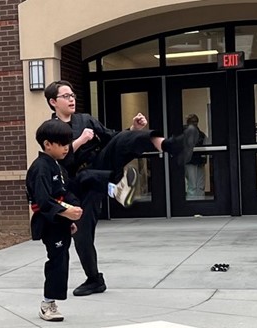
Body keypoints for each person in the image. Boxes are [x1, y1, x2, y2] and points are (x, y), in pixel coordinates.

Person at [43, 80, 184, 297]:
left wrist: (133, 129)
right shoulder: (51, 130)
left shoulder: (86, 119)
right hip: (77, 185)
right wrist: (80, 141)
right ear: (53, 102)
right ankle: (94, 280)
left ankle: (169, 145)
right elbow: (56, 161)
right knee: (81, 233)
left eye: (72, 95)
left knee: (125, 138)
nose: (71, 99)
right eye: (66, 96)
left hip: (100, 167)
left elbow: (111, 137)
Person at [26, 119, 82, 322]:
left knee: (62, 258)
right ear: (47, 144)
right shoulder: (41, 167)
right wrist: (65, 213)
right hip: (48, 222)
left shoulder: (56, 166)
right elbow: (42, 200)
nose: (66, 148)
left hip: (59, 221)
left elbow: (62, 193)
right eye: (62, 143)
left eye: (68, 143)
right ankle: (47, 304)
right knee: (57, 260)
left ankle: (50, 302)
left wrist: (70, 217)